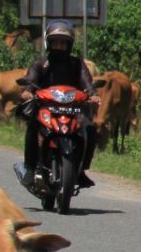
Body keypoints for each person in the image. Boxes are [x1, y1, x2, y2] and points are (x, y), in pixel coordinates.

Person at [16, 19, 98, 190]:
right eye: (55, 42)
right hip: (46, 107)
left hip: (72, 109)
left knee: (90, 129)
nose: (59, 46)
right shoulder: (41, 63)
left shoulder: (76, 64)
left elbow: (87, 83)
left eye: (63, 42)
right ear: (49, 43)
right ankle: (30, 168)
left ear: (70, 44)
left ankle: (81, 170)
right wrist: (27, 91)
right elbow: (30, 80)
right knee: (33, 127)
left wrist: (93, 95)